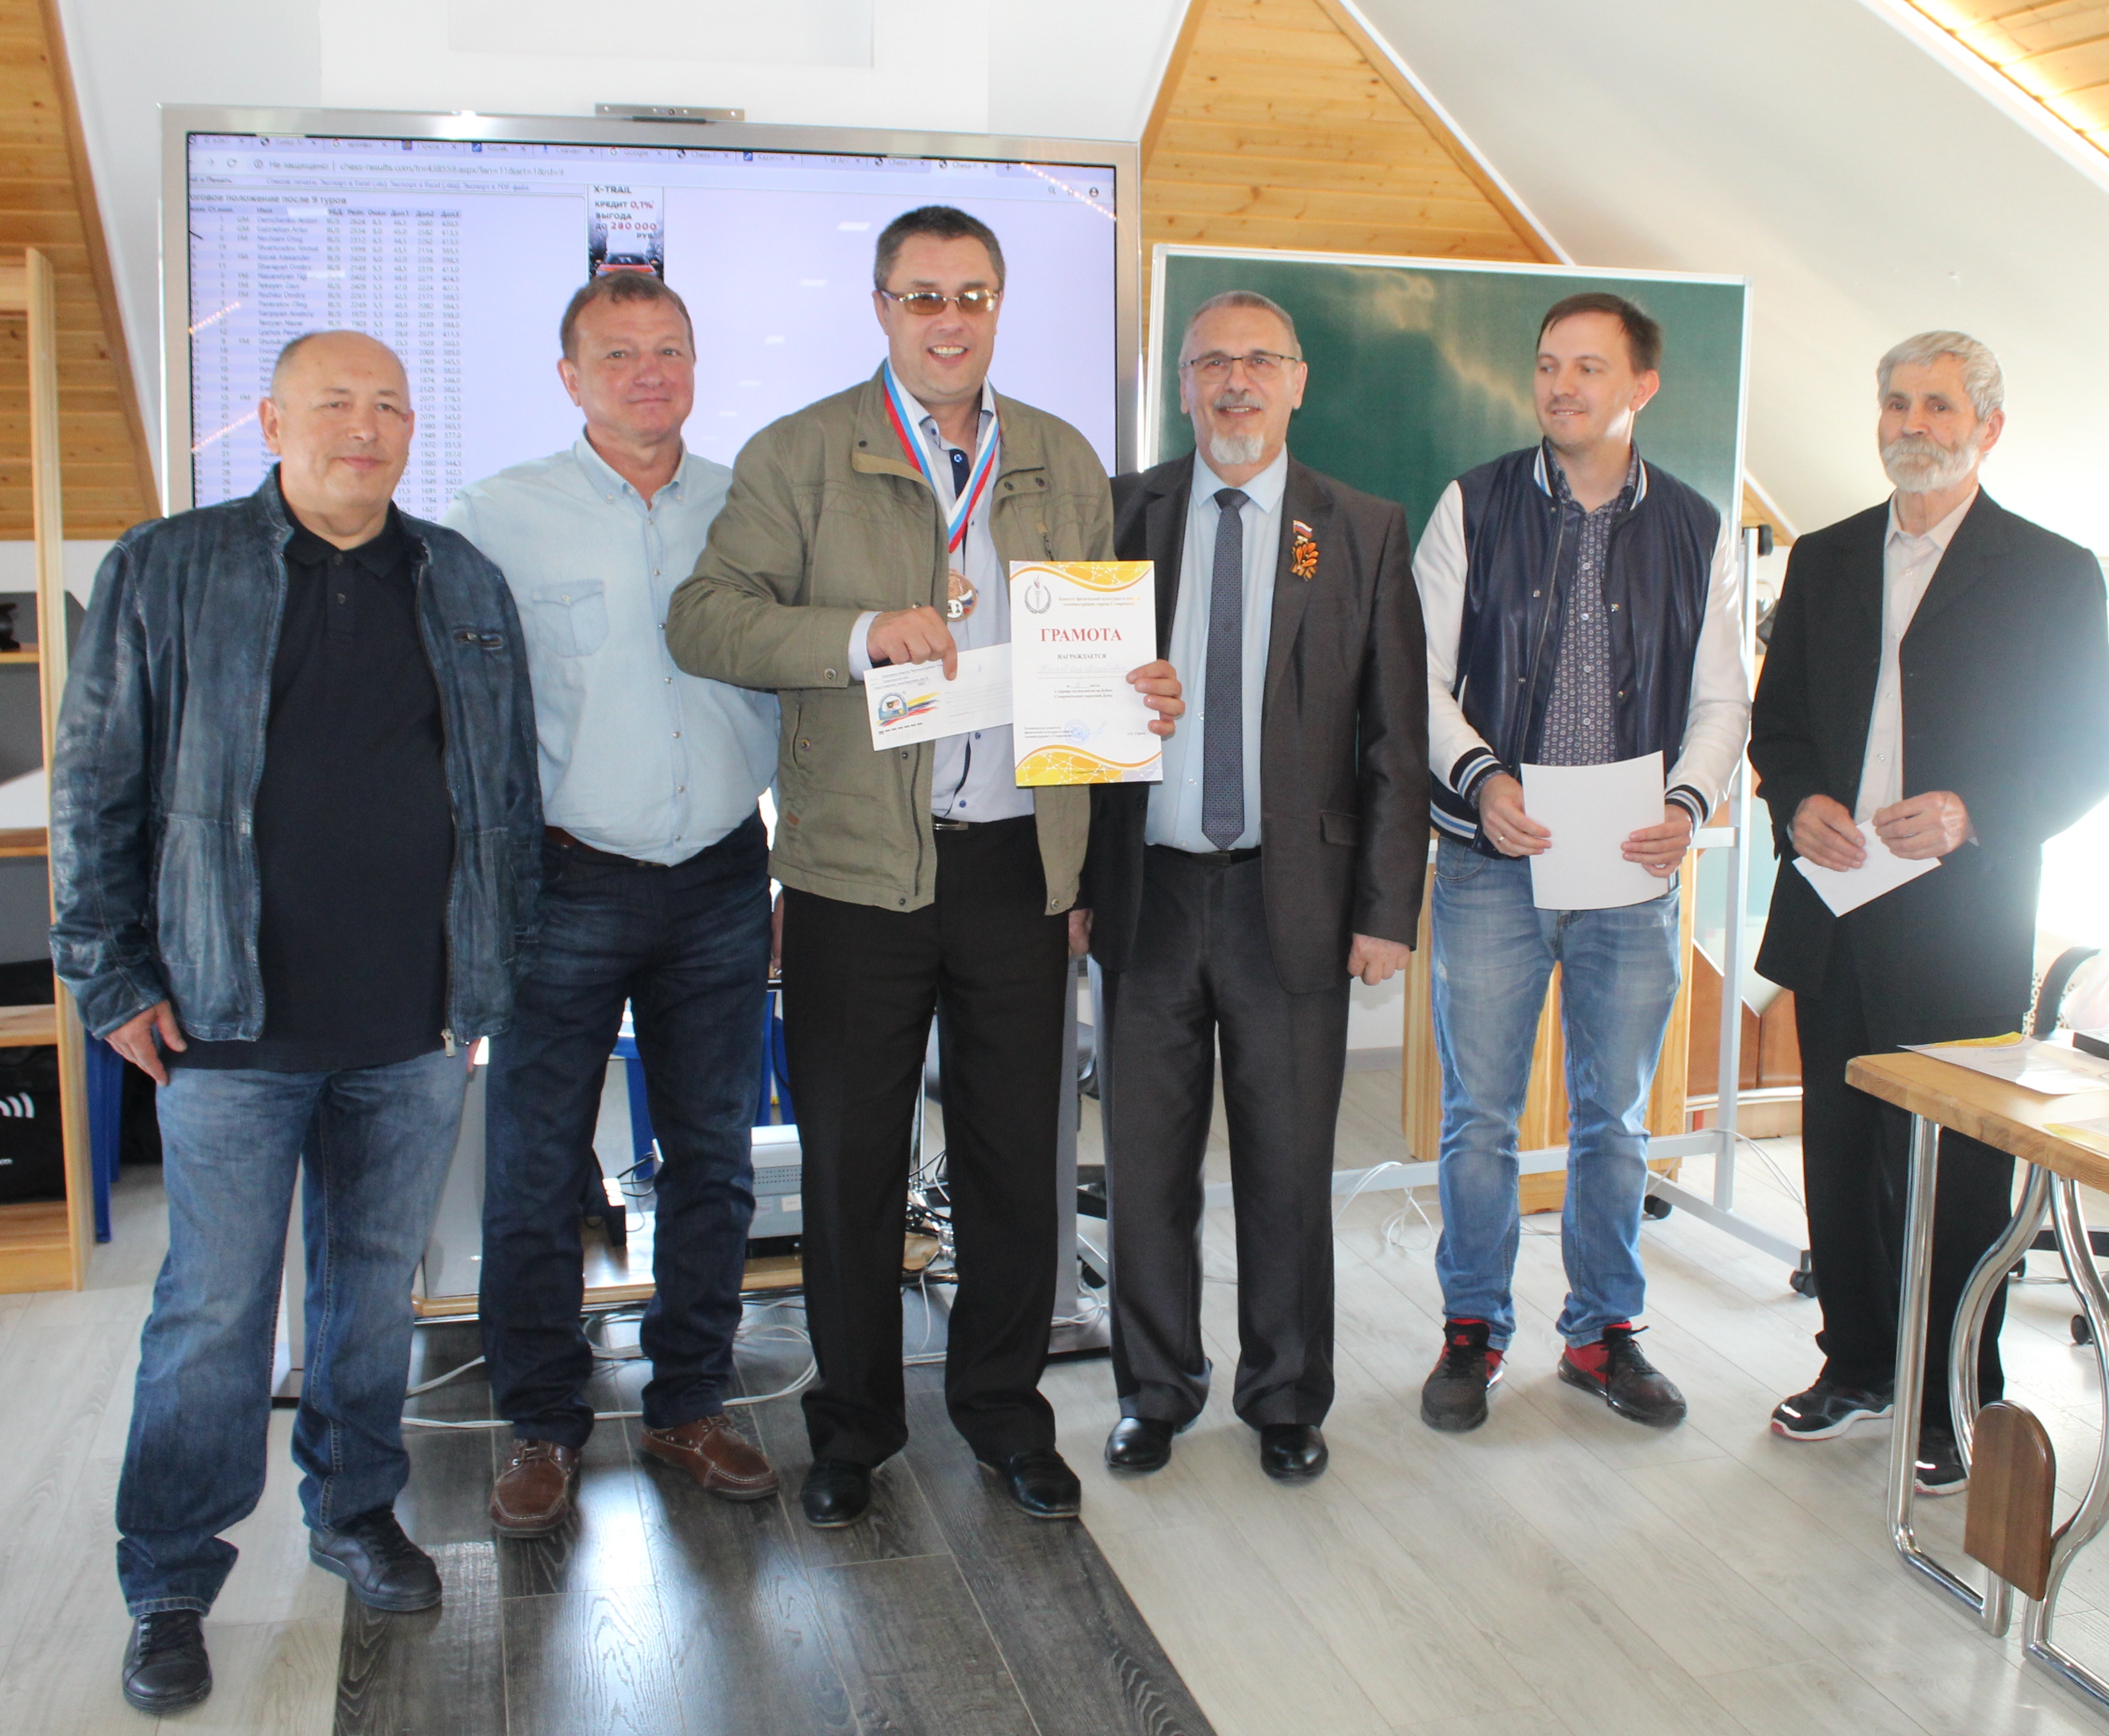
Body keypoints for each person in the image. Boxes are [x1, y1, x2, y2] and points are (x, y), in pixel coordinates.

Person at [666, 205, 1183, 1529]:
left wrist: (1139, 695)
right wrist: (858, 639)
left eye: (972, 295)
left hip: (1016, 869)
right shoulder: (799, 454)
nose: (948, 320)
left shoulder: (1061, 456)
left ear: (998, 307)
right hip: (855, 876)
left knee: (1015, 1162)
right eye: (921, 296)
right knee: (851, 1165)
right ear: (881, 308)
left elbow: (1094, 654)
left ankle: (1005, 1416)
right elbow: (706, 620)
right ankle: (853, 1430)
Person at [48, 331, 541, 1713]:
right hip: (225, 1019)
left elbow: (505, 794)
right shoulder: (168, 566)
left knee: (371, 1295)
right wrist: (109, 974)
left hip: (411, 1022)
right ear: (270, 421)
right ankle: (170, 1578)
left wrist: (485, 980)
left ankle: (354, 1509)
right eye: (334, 403)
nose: (363, 428)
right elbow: (95, 781)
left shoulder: (460, 578)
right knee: (212, 1310)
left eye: (389, 405)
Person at [443, 272, 781, 1535]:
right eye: (620, 353)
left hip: (722, 877)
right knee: (536, 1169)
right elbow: (454, 718)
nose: (650, 373)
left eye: (670, 350)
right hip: (565, 880)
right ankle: (540, 1423)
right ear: (570, 377)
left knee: (713, 1161)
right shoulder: (494, 518)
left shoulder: (751, 506)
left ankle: (690, 1401)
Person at [1751, 331, 2109, 1492]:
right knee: (1839, 1145)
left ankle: (1959, 1389)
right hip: (1834, 902)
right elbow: (1777, 723)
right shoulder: (1825, 557)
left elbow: (2084, 747)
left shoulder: (2053, 571)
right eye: (1898, 403)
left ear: (1986, 428)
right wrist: (1797, 800)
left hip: (1963, 917)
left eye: (1940, 406)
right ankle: (1854, 1362)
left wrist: (1970, 813)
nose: (1914, 424)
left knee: (1957, 1169)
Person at [1085, 290, 1428, 1482]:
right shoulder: (1117, 515)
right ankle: (1154, 1390)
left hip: (1298, 902)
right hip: (1147, 892)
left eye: (1259, 361)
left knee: (1285, 1168)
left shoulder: (1361, 530)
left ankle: (1285, 1397)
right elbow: (1066, 717)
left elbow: (1395, 740)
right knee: (1145, 1168)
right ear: (1182, 384)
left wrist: (1386, 911)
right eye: (1212, 362)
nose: (1236, 382)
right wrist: (1072, 881)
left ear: (1297, 381)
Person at [1412, 293, 1748, 1434]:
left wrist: (1685, 803)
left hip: (1629, 864)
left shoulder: (1697, 527)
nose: (1560, 386)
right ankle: (1471, 1329)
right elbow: (1417, 675)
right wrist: (1479, 779)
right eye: (1548, 364)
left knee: (1615, 1118)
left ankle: (1603, 1333)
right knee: (1480, 1116)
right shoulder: (1472, 504)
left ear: (1640, 387)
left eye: (1588, 368)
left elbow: (1721, 700)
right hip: (1491, 856)